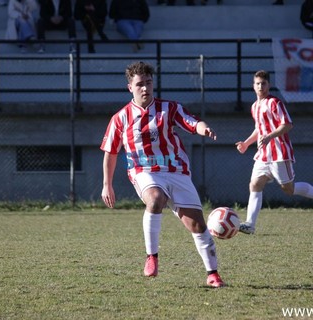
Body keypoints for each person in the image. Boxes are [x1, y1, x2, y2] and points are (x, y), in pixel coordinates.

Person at [100, 61, 225, 288]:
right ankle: (152, 257)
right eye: (140, 84)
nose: (145, 88)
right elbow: (110, 153)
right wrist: (107, 184)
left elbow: (193, 122)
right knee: (156, 198)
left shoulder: (170, 108)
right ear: (130, 87)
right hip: (144, 172)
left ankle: (213, 274)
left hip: (176, 171)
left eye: (149, 83)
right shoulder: (120, 118)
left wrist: (203, 128)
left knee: (197, 226)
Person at [235, 70, 313, 235]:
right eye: (257, 83)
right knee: (255, 184)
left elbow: (287, 124)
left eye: (263, 83)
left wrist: (270, 136)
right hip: (263, 154)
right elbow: (259, 128)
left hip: (279, 152)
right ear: (253, 86)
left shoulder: (275, 103)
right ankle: (250, 224)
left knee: (288, 189)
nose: (260, 86)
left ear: (268, 85)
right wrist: (247, 143)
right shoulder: (254, 106)